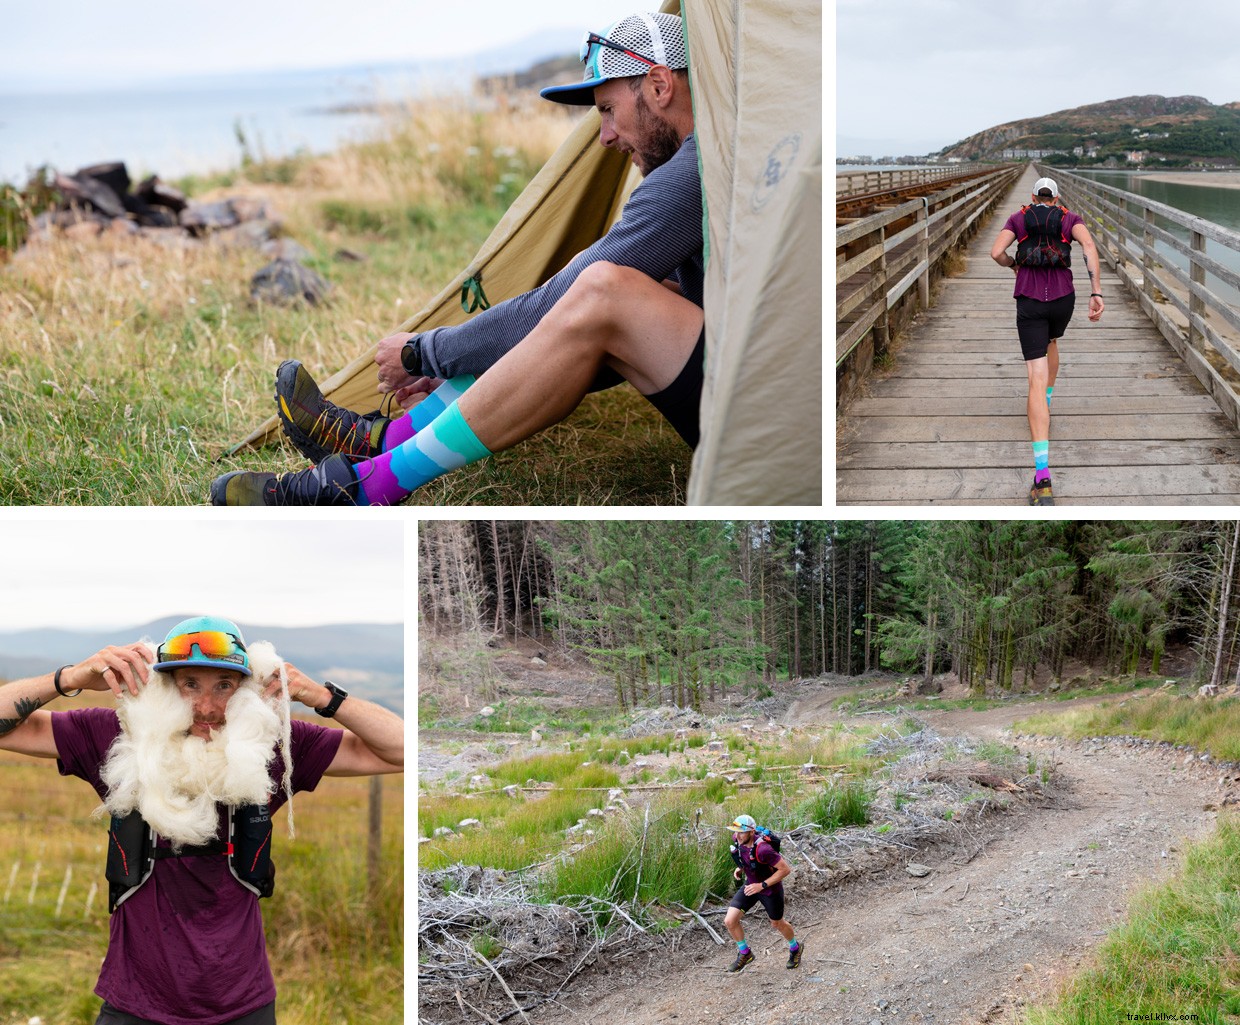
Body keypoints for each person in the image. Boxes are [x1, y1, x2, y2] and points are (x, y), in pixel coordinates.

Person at [211, 11, 705, 506]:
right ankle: (382, 442)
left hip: (756, 414)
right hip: (731, 376)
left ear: (659, 85)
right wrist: (467, 353)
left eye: (606, 109)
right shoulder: (710, 155)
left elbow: (566, 297)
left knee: (603, 292)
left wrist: (425, 352)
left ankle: (366, 487)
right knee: (641, 293)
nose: (604, 137)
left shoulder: (697, 169)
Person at [0, 616, 404, 1025]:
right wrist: (69, 678)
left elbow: (403, 751)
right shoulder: (119, 738)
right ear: (164, 684)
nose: (207, 708)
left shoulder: (271, 748)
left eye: (224, 687)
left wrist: (325, 698)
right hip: (134, 1003)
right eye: (189, 684)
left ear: (245, 689)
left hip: (243, 1005)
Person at [990, 175, 1105, 506]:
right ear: (1056, 198)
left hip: (1028, 299)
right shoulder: (1070, 219)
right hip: (1062, 298)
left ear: (1033, 196)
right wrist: (1096, 291)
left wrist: (1014, 264)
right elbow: (1089, 246)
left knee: (1034, 379)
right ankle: (1048, 402)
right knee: (1053, 341)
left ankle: (1042, 478)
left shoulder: (1018, 218)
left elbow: (996, 251)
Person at [723, 814, 802, 972]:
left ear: (752, 832)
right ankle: (745, 954)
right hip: (751, 886)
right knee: (730, 921)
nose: (737, 836)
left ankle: (795, 948)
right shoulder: (738, 840)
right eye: (736, 832)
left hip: (770, 890)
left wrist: (762, 885)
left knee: (777, 924)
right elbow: (747, 857)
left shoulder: (764, 849)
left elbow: (785, 869)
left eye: (741, 832)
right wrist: (741, 868)